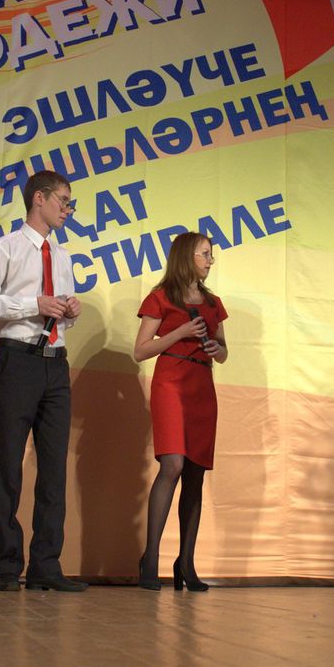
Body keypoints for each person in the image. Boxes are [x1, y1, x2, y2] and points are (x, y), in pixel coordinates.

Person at [0, 170, 86, 592]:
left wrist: (69, 311)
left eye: (70, 203)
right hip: (17, 362)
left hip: (56, 364)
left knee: (53, 468)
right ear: (39, 199)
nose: (68, 210)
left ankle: (46, 565)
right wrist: (32, 304)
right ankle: (7, 565)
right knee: (8, 465)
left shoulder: (63, 256)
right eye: (64, 201)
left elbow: (58, 311)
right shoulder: (5, 248)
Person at [132, 233, 228, 591]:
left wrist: (214, 346)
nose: (210, 260)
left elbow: (224, 352)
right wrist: (181, 332)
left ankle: (185, 563)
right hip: (171, 383)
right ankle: (150, 558)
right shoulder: (161, 297)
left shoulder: (213, 303)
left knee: (195, 473)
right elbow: (140, 350)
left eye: (211, 255)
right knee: (172, 464)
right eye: (205, 254)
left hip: (202, 386)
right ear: (187, 256)